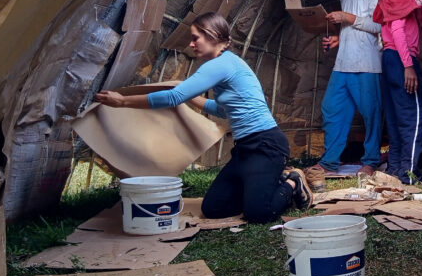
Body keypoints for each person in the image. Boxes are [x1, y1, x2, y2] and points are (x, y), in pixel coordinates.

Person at [95, 12, 312, 223]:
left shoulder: (222, 64)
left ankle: (292, 182)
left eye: (195, 38)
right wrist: (190, 95)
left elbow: (173, 97)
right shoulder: (225, 64)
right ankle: (263, 186)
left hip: (266, 145)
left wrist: (122, 101)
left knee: (258, 213)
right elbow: (222, 111)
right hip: (245, 149)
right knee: (213, 209)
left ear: (213, 36)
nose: (191, 44)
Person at [305, 0, 382, 191]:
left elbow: (381, 27)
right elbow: (352, 28)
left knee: (371, 114)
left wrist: (347, 18)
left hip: (368, 63)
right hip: (343, 63)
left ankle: (371, 161)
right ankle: (329, 161)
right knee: (331, 109)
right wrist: (338, 38)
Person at [373, 0, 422, 184]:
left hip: (390, 57)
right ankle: (409, 172)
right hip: (400, 57)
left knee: (397, 116)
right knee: (416, 116)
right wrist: (408, 65)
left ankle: (395, 169)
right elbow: (397, 27)